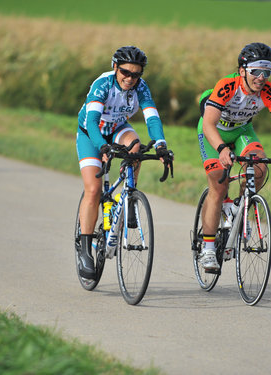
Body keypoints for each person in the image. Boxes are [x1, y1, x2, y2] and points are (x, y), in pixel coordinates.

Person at [197, 42, 271, 271]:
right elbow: (208, 123)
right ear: (243, 70)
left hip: (243, 130)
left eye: (267, 72)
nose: (262, 77)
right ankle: (207, 250)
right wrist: (222, 149)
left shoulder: (269, 91)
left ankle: (241, 205)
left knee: (260, 167)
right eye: (256, 71)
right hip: (214, 132)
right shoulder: (227, 86)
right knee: (218, 183)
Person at [76, 45, 172, 279]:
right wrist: (103, 147)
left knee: (136, 147)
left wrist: (160, 144)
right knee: (94, 189)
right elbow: (92, 122)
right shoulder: (103, 84)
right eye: (125, 72)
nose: (130, 78)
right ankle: (85, 249)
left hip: (118, 128)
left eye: (136, 74)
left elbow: (152, 118)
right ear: (115, 68)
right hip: (92, 133)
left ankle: (128, 195)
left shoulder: (141, 87)